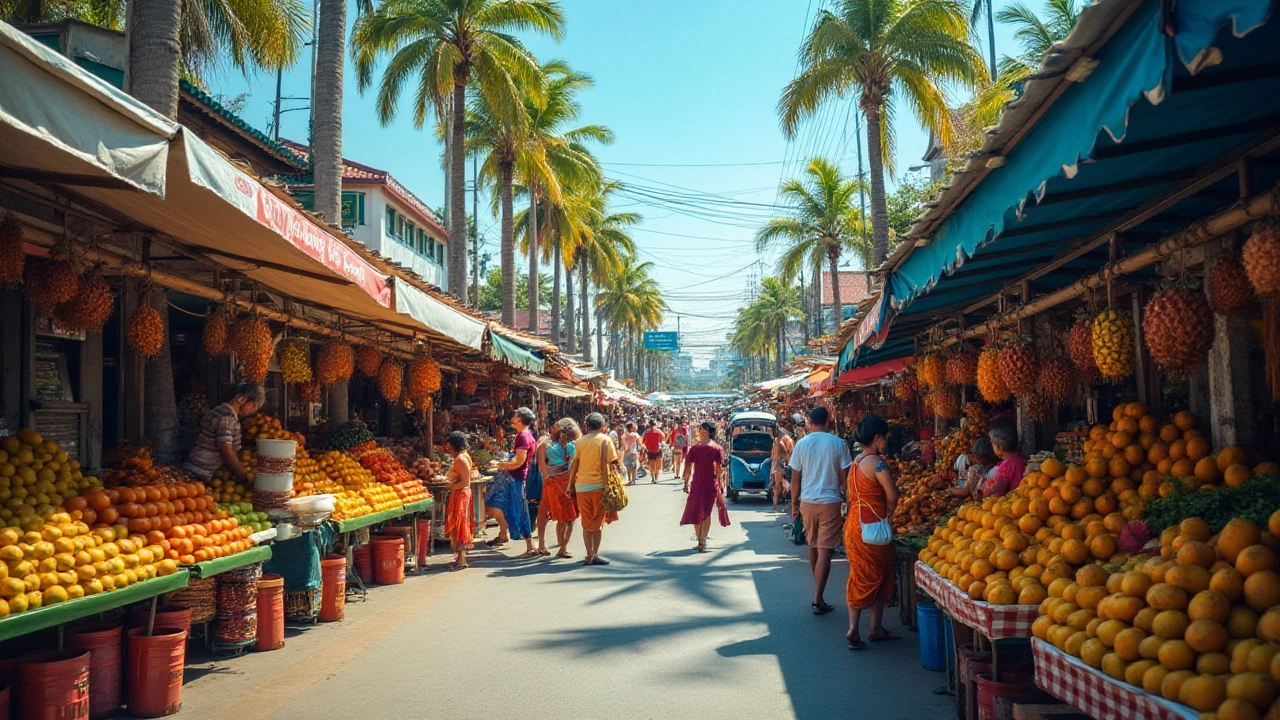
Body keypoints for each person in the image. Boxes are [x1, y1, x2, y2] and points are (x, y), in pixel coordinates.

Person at [845, 414, 902, 650]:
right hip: (872, 527)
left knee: (864, 574)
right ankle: (855, 629)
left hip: (854, 525)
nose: (886, 442)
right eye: (885, 438)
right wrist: (890, 512)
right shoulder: (878, 464)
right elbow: (893, 495)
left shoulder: (857, 462)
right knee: (872, 576)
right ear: (876, 438)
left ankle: (871, 627)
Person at [789, 406, 853, 615]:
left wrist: (794, 504)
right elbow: (845, 478)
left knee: (813, 545)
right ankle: (818, 598)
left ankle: (819, 594)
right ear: (829, 420)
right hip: (829, 501)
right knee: (825, 549)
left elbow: (795, 478)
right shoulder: (838, 443)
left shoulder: (801, 444)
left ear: (809, 422)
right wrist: (848, 499)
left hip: (807, 501)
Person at [567, 412, 620, 566]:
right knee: (597, 523)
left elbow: (575, 464)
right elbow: (613, 462)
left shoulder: (581, 441)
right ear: (603, 426)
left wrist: (570, 484)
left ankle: (589, 554)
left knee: (586, 521)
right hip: (600, 486)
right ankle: (595, 554)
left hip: (582, 486)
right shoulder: (606, 440)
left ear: (587, 426)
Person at [182, 383, 265, 481]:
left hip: (193, 468)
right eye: (254, 406)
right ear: (243, 399)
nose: (253, 410)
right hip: (199, 474)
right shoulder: (227, 418)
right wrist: (243, 477)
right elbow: (227, 451)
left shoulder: (218, 410)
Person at [486, 407, 538, 557]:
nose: (512, 418)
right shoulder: (526, 435)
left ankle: (530, 546)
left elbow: (519, 461)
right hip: (515, 476)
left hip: (515, 477)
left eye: (515, 416)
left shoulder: (523, 436)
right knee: (504, 506)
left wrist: (500, 465)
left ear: (520, 419)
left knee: (519, 510)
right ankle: (506, 534)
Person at [680, 421, 727, 552]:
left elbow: (688, 467)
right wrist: (720, 484)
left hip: (697, 483)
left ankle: (699, 537)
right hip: (710, 483)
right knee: (706, 512)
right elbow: (719, 470)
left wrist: (685, 482)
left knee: (696, 511)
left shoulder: (695, 448)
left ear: (704, 431)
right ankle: (703, 539)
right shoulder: (717, 448)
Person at [536, 418, 580, 559]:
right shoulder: (545, 442)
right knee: (554, 514)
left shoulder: (571, 444)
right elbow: (541, 464)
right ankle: (545, 544)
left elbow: (574, 462)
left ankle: (562, 547)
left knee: (570, 516)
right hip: (552, 481)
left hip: (568, 481)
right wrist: (548, 478)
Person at [440, 431, 476, 570]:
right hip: (460, 493)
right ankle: (460, 558)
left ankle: (461, 560)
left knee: (459, 525)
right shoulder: (463, 456)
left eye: (449, 446)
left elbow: (466, 482)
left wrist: (450, 486)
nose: (448, 449)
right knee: (459, 525)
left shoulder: (461, 459)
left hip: (461, 494)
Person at [976, 422, 1027, 500]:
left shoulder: (1006, 467)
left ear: (1000, 447)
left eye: (993, 443)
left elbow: (997, 493)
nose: (992, 447)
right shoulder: (1020, 460)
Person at [770, 422, 796, 513]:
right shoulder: (782, 440)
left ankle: (775, 502)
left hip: (777, 463)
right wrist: (785, 456)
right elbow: (786, 451)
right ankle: (776, 502)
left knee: (778, 484)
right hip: (780, 464)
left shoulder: (778, 440)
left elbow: (775, 454)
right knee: (780, 484)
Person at [620, 422, 642, 486]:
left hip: (628, 452)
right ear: (630, 428)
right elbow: (639, 443)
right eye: (632, 427)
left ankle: (630, 479)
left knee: (629, 466)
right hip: (632, 452)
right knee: (632, 466)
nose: (633, 428)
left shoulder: (624, 435)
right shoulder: (633, 435)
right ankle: (632, 479)